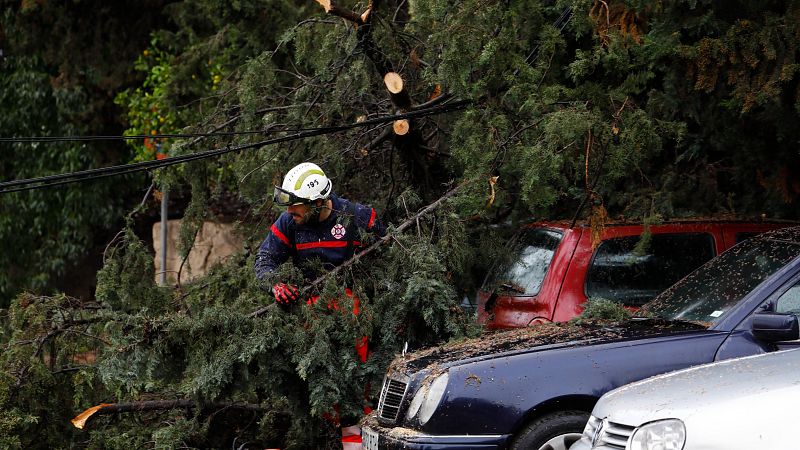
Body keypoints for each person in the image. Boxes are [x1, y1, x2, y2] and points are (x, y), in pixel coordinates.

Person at [254, 162, 386, 450]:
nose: (290, 212)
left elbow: (388, 260)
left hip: (357, 316)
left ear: (317, 203)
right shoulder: (289, 223)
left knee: (358, 391)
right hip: (311, 321)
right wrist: (276, 285)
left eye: (296, 206)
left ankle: (360, 437)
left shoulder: (357, 216)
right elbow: (264, 261)